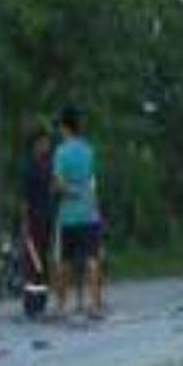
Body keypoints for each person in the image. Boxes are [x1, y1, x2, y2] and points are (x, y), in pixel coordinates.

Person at [53, 106, 104, 318]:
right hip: (90, 212)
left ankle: (61, 305)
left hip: (69, 216)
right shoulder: (89, 150)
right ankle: (94, 303)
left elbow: (58, 183)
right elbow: (93, 181)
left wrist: (69, 191)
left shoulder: (61, 152)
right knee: (92, 258)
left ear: (65, 127)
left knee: (65, 260)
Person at [19, 128, 54, 318]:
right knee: (33, 263)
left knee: (44, 263)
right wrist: (24, 222)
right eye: (43, 143)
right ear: (35, 145)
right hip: (33, 221)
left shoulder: (48, 165)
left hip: (47, 220)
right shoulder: (28, 167)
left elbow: (52, 190)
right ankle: (30, 305)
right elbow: (24, 198)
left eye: (48, 143)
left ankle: (41, 302)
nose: (46, 146)